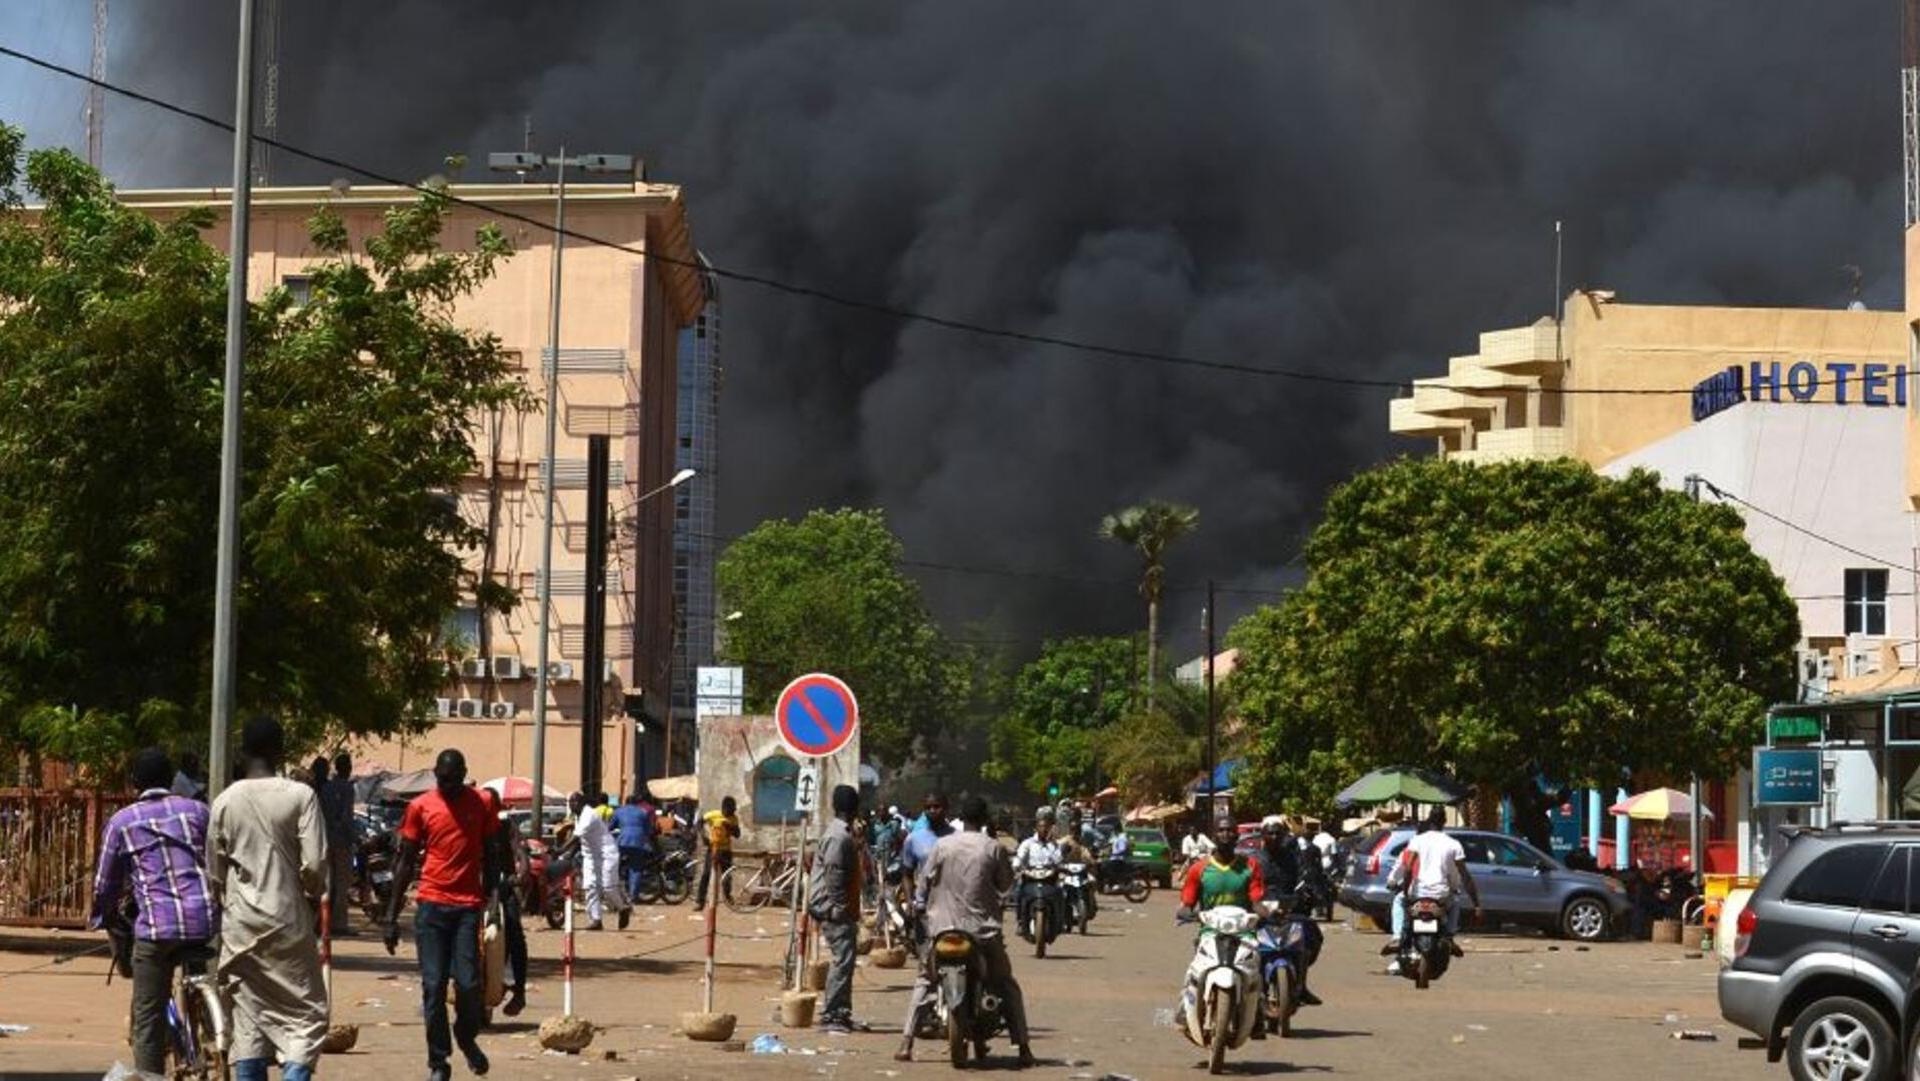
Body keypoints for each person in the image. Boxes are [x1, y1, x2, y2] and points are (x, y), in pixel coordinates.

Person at [208, 716, 330, 1081]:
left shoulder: (226, 801)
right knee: (306, 1016)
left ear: (243, 752)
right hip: (288, 919)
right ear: (280, 752)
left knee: (248, 1019)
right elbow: (315, 864)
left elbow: (215, 872)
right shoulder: (300, 796)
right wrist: (309, 895)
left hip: (242, 924)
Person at [91, 747, 217, 1079]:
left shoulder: (122, 821)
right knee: (194, 960)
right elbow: (217, 859)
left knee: (147, 1016)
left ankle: (150, 1074)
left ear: (134, 783)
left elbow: (105, 885)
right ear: (171, 779)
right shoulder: (198, 811)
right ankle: (207, 1025)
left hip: (156, 928)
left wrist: (104, 917)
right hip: (204, 920)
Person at [383, 749, 500, 1081]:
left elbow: (491, 853)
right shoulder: (420, 806)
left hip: (467, 907)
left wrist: (494, 898)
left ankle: (466, 1036)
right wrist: (390, 917)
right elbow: (405, 862)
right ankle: (439, 1061)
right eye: (441, 779)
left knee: (468, 984)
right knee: (433, 988)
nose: (446, 785)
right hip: (432, 905)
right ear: (436, 775)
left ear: (464, 774)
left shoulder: (483, 803)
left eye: (452, 779)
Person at [895, 795, 1034, 1068]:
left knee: (924, 981)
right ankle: (1024, 1047)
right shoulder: (993, 848)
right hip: (983, 932)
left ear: (960, 816)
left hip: (941, 929)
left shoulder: (942, 846)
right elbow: (1005, 886)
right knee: (1006, 985)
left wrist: (920, 907)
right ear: (984, 820)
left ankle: (906, 1041)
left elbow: (922, 886)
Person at [1381, 808, 1480, 957]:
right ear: (1444, 822)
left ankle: (1397, 938)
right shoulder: (1453, 844)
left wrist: (1407, 892)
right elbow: (1464, 874)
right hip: (1441, 894)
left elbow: (1407, 868)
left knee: (1398, 900)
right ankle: (1449, 938)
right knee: (1455, 903)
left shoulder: (1418, 840)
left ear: (1429, 821)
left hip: (1418, 892)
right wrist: (1476, 903)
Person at [810, 784, 866, 1033]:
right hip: (833, 909)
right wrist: (841, 908)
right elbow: (834, 875)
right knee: (842, 961)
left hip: (839, 907)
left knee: (846, 960)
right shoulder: (838, 836)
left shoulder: (843, 833)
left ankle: (841, 1012)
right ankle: (832, 1014)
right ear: (855, 808)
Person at [478, 786, 529, 1017]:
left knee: (514, 933)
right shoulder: (471, 826)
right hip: (476, 889)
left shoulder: (506, 827)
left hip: (503, 887)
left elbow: (519, 851)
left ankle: (519, 991)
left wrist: (520, 872)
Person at [564, 791, 629, 930]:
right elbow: (580, 839)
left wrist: (560, 850)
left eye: (575, 802)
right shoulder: (577, 816)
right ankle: (596, 920)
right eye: (570, 802)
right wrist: (569, 854)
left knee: (607, 887)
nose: (572, 805)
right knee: (590, 887)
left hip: (607, 853)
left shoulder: (589, 814)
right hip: (590, 856)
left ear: (582, 803)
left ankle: (622, 908)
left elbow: (576, 837)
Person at [1181, 821, 1266, 913]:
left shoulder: (1251, 865)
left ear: (1237, 837)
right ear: (1213, 837)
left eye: (1230, 831)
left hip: (1242, 925)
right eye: (1220, 831)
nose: (1225, 834)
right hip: (1210, 926)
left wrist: (1263, 911)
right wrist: (1185, 912)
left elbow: (1256, 900)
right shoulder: (1197, 869)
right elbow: (1188, 903)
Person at [319, 750, 357, 935]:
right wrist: (354, 838)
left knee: (328, 883)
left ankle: (324, 922)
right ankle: (339, 924)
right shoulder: (347, 788)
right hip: (341, 841)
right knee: (342, 884)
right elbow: (346, 817)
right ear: (347, 769)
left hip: (326, 840)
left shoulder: (327, 788)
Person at [1012, 818, 1063, 940]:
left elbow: (1059, 860)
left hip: (1049, 879)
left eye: (1046, 827)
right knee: (1018, 891)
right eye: (1041, 827)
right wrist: (1017, 865)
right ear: (1036, 829)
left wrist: (1060, 865)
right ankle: (1020, 921)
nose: (1044, 830)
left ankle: (1059, 921)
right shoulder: (1028, 843)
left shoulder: (1054, 845)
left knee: (1061, 893)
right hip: (1030, 877)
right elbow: (1019, 857)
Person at [695, 796, 740, 910]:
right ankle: (700, 901)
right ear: (724, 808)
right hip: (713, 849)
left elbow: (737, 834)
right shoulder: (713, 814)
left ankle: (728, 897)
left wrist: (729, 827)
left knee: (727, 876)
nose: (732, 812)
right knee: (706, 874)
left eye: (733, 810)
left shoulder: (734, 819)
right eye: (730, 810)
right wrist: (703, 836)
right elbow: (699, 822)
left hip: (726, 850)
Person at [898, 793, 952, 884]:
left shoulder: (958, 837)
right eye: (928, 808)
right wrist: (910, 898)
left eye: (937, 806)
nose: (932, 810)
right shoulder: (913, 839)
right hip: (926, 896)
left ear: (946, 808)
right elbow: (907, 875)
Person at [613, 791, 658, 901]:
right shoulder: (643, 812)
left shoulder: (619, 811)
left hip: (622, 842)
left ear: (625, 802)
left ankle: (614, 891)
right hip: (639, 843)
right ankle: (633, 896)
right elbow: (648, 829)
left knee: (614, 866)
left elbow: (610, 826)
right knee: (636, 869)